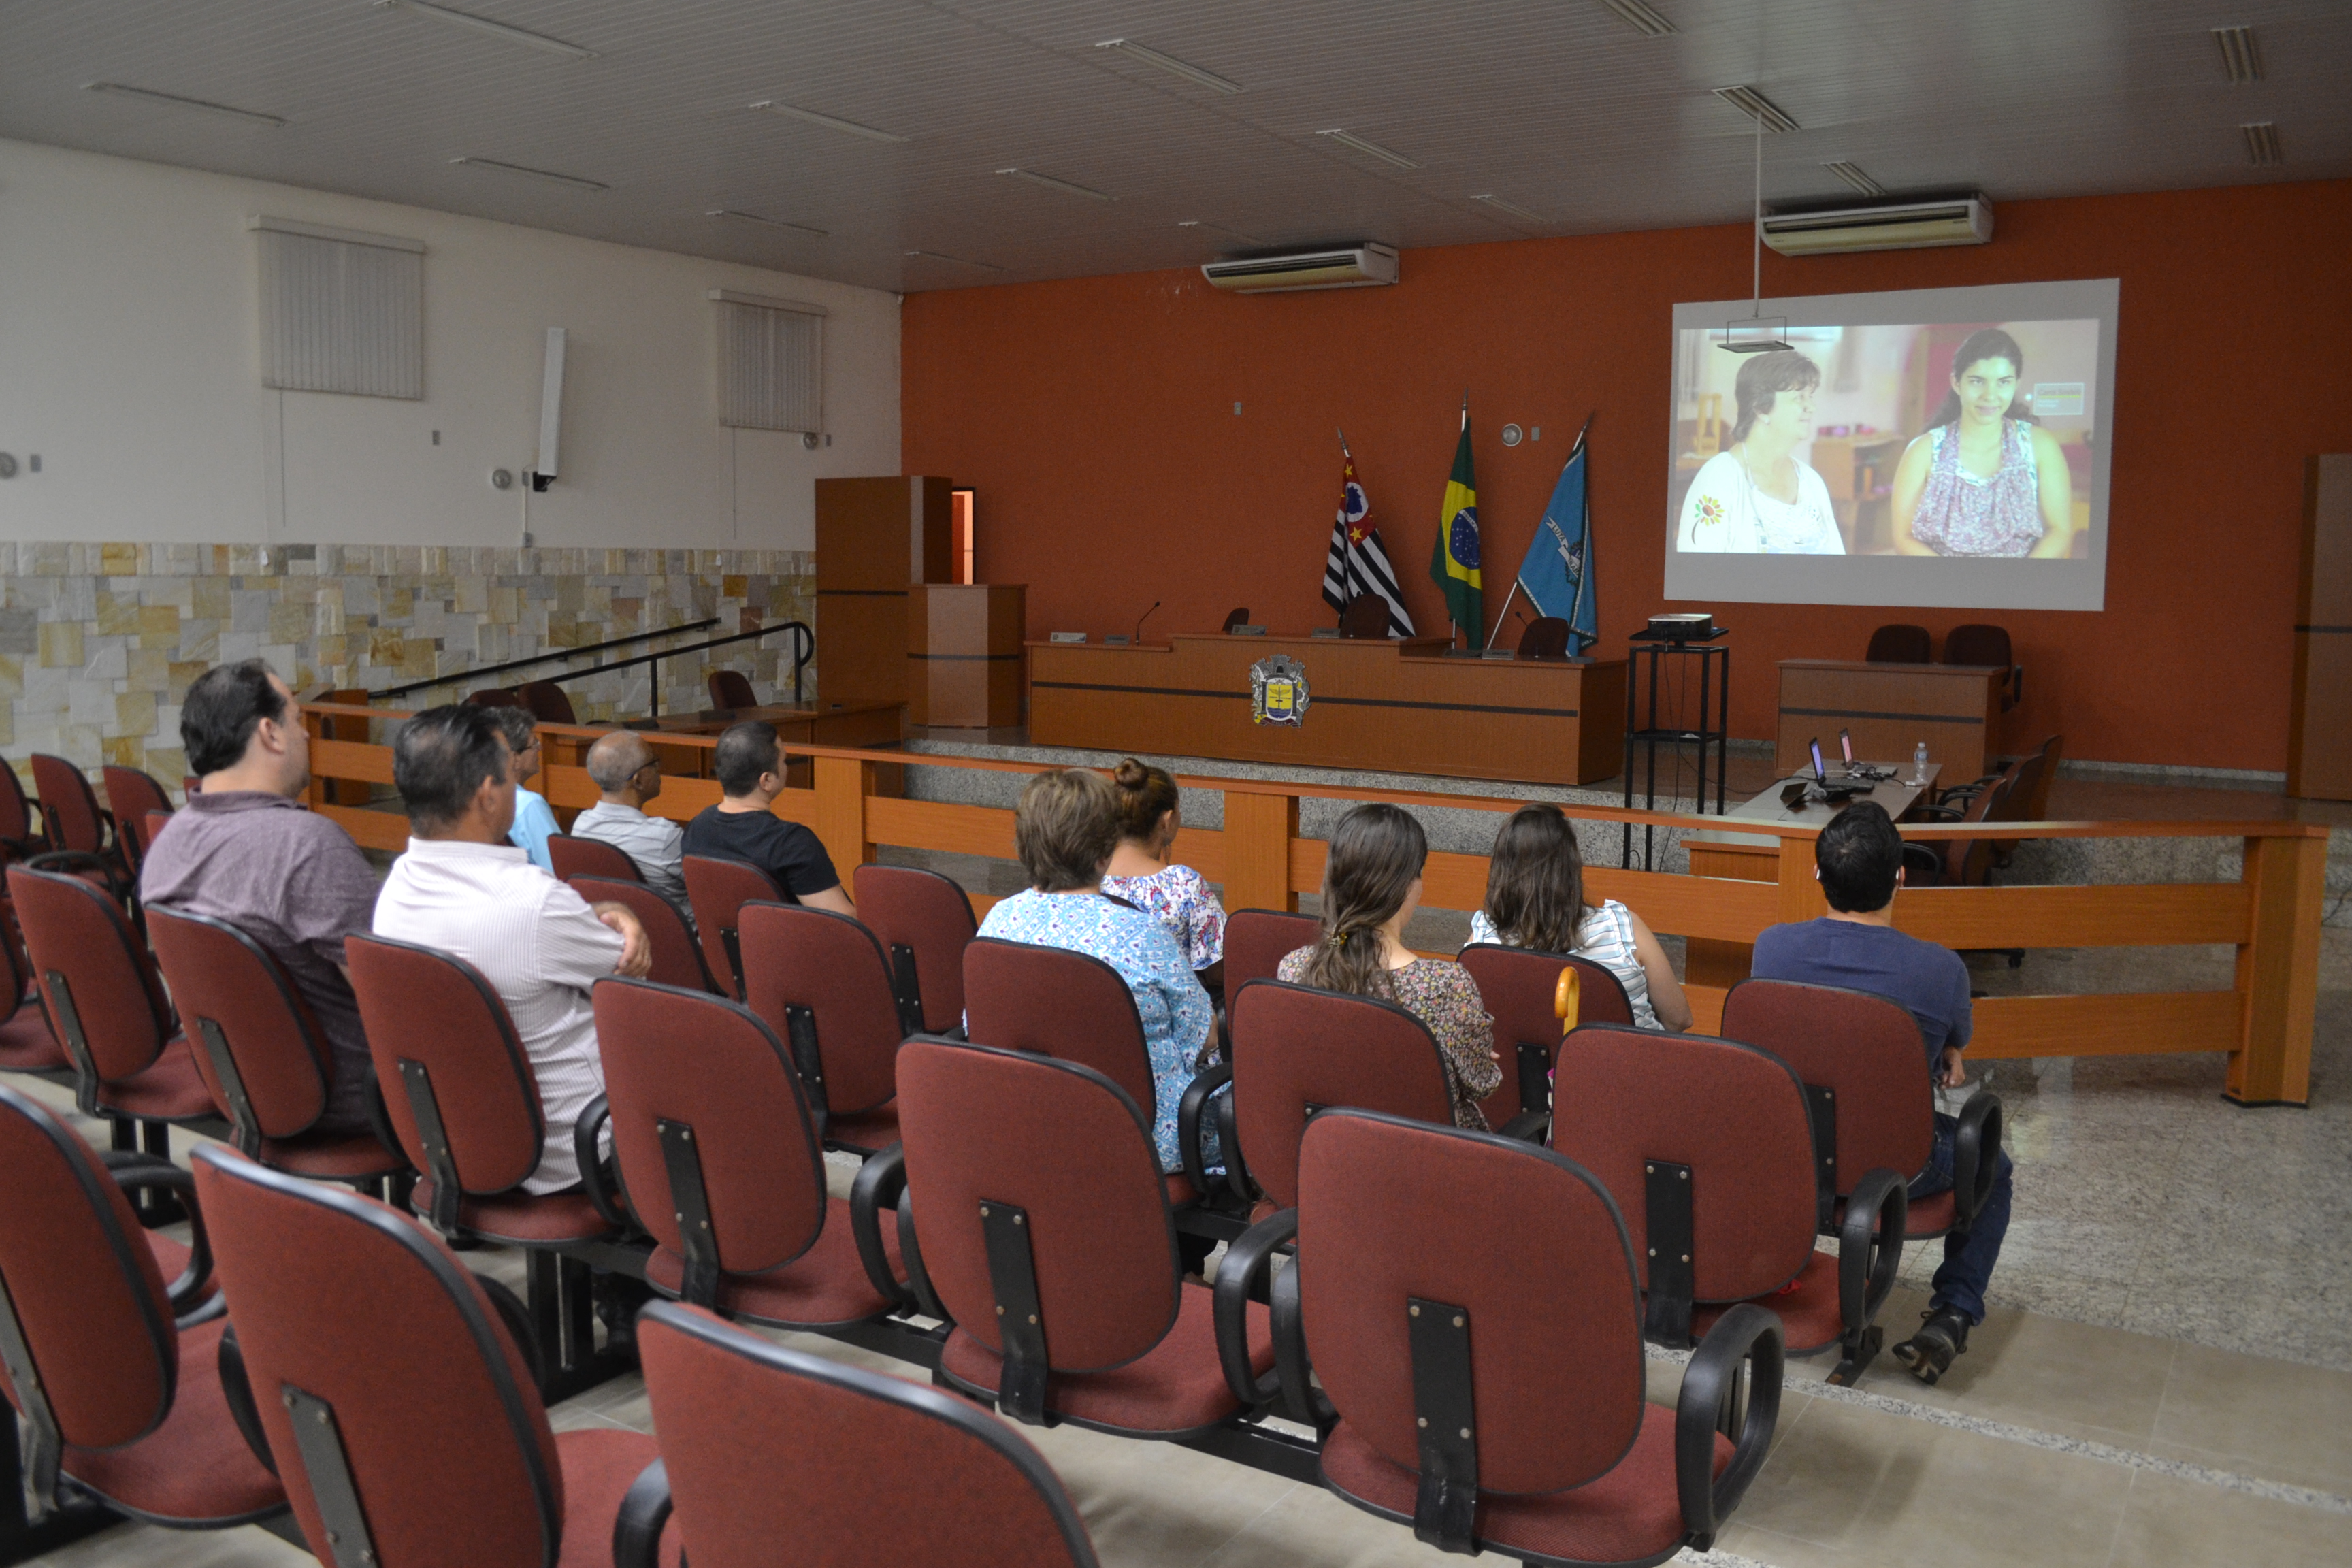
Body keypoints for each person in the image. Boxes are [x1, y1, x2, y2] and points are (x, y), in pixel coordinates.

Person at [1749, 800, 2014, 1386]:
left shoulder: (1771, 948)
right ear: (1900, 877)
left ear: (1819, 875)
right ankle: (1953, 1313)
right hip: (1897, 1170)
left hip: (1788, 1156)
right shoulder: (1941, 970)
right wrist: (1945, 1053)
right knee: (1993, 1162)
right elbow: (1954, 1041)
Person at [372, 705, 651, 1194]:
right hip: (579, 1151)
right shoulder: (534, 902)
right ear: (487, 796)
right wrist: (620, 915)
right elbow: (629, 977)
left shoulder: (396, 889)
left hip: (460, 1138)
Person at [138, 660, 381, 1135]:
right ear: (270, 732)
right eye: (296, 718)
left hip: (241, 1085)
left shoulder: (167, 844)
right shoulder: (309, 846)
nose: (307, 735)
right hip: (350, 1100)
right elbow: (391, 1001)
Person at [976, 769, 1214, 1182]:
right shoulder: (1141, 932)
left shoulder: (998, 921)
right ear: (1105, 853)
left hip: (1031, 1129)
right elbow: (1205, 1037)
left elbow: (977, 1026)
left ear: (1023, 844)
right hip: (1141, 1139)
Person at [1277, 803, 1501, 1130]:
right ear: (1407, 884)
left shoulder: (1294, 969)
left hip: (1329, 1158)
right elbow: (1483, 1083)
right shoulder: (1446, 986)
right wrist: (1475, 1055)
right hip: (1428, 1168)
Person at [1466, 804, 1691, 1032]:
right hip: (1624, 1065)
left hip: (1530, 1067)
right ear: (1572, 867)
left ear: (1500, 868)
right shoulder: (1624, 929)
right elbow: (1679, 1019)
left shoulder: (1481, 944)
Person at [1890, 327, 2076, 559]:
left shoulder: (2040, 445)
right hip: (1944, 586)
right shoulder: (1922, 451)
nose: (1990, 395)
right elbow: (1903, 538)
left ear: (2016, 383)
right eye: (1978, 381)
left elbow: (2059, 531)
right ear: (1956, 383)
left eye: (2003, 382)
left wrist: (2015, 583)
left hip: (2019, 587)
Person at [1676, 349, 1845, 555]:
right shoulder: (1719, 479)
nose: (1811, 407)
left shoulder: (1811, 481)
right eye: (1799, 397)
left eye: (1810, 396)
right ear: (1760, 408)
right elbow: (1697, 576)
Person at [679, 721, 855, 915]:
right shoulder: (792, 843)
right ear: (767, 781)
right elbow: (844, 924)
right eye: (784, 761)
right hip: (787, 944)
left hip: (722, 945)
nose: (787, 767)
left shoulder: (696, 828)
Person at [1100, 757, 1226, 1000]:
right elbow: (1218, 973)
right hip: (1170, 1023)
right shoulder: (1184, 883)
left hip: (1101, 1015)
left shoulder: (1086, 875)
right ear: (1166, 820)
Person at [571, 732, 689, 915]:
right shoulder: (663, 837)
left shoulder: (581, 826)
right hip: (679, 939)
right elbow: (707, 888)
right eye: (654, 763)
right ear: (639, 780)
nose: (659, 769)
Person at [487, 706, 560, 872]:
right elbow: (559, 870)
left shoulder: (476, 796)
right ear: (515, 759)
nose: (539, 749)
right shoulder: (529, 805)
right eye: (534, 744)